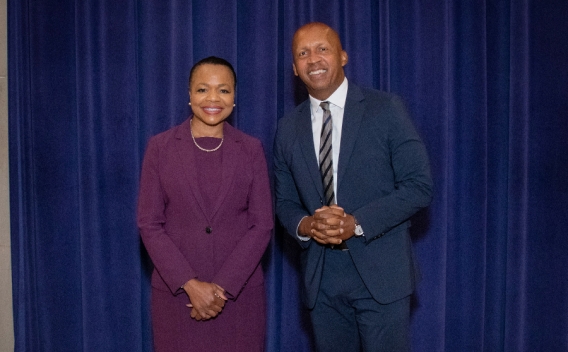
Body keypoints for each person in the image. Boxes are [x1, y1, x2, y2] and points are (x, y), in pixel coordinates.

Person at [274, 22, 433, 351]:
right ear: (294, 68)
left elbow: (419, 186)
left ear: (343, 56)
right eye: (303, 53)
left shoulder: (386, 108)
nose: (313, 59)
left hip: (381, 273)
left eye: (323, 49)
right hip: (322, 279)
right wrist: (308, 225)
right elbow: (284, 203)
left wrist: (356, 223)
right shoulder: (287, 129)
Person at [137, 56, 273, 351]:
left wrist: (221, 288)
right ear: (189, 95)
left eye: (223, 90)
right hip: (177, 297)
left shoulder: (251, 149)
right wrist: (190, 284)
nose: (213, 98)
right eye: (202, 90)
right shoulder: (159, 148)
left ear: (235, 97)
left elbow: (262, 225)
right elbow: (149, 224)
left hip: (239, 296)